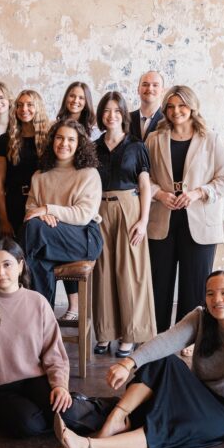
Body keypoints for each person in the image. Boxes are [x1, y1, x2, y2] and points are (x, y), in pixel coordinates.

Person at [53, 271, 224, 448]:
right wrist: (128, 362)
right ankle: (116, 419)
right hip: (196, 393)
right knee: (162, 359)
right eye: (210, 294)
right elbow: (165, 341)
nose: (216, 300)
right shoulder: (201, 317)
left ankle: (88, 446)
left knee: (163, 424)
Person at [0, 238, 116, 438]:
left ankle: (103, 408)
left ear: (20, 265)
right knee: (29, 425)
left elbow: (54, 352)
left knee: (67, 412)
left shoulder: (38, 302)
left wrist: (60, 386)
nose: (0, 272)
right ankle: (67, 414)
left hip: (34, 379)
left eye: (7, 265)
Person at [146, 85, 224, 338]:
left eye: (182, 106)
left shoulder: (210, 139)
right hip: (162, 220)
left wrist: (198, 193)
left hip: (200, 222)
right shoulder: (154, 139)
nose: (176, 111)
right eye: (171, 107)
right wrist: (159, 194)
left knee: (195, 284)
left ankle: (190, 338)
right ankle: (158, 337)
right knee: (159, 283)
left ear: (192, 107)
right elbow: (142, 178)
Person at [92, 92, 156, 358]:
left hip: (129, 208)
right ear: (101, 115)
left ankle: (130, 335)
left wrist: (143, 221)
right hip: (99, 210)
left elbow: (145, 186)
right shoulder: (93, 147)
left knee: (130, 273)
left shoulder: (136, 146)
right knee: (103, 271)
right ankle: (105, 332)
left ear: (123, 114)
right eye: (107, 111)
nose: (111, 116)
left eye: (117, 111)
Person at [21, 118, 103, 309]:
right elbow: (30, 210)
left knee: (33, 230)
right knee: (38, 262)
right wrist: (42, 215)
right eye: (59, 138)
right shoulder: (39, 175)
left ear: (79, 143)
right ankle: (43, 316)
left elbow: (83, 214)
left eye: (71, 139)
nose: (64, 143)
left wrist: (47, 209)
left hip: (84, 238)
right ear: (52, 141)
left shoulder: (89, 173)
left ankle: (15, 295)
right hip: (47, 237)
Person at [0, 89, 50, 239]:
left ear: (38, 108)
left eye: (30, 105)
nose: (24, 109)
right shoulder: (5, 140)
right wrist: (3, 220)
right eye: (20, 105)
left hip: (40, 203)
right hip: (13, 203)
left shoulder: (49, 140)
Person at [129, 70, 165, 143]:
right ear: (138, 89)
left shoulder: (168, 120)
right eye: (145, 85)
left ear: (162, 91)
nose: (150, 88)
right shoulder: (126, 119)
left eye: (155, 85)